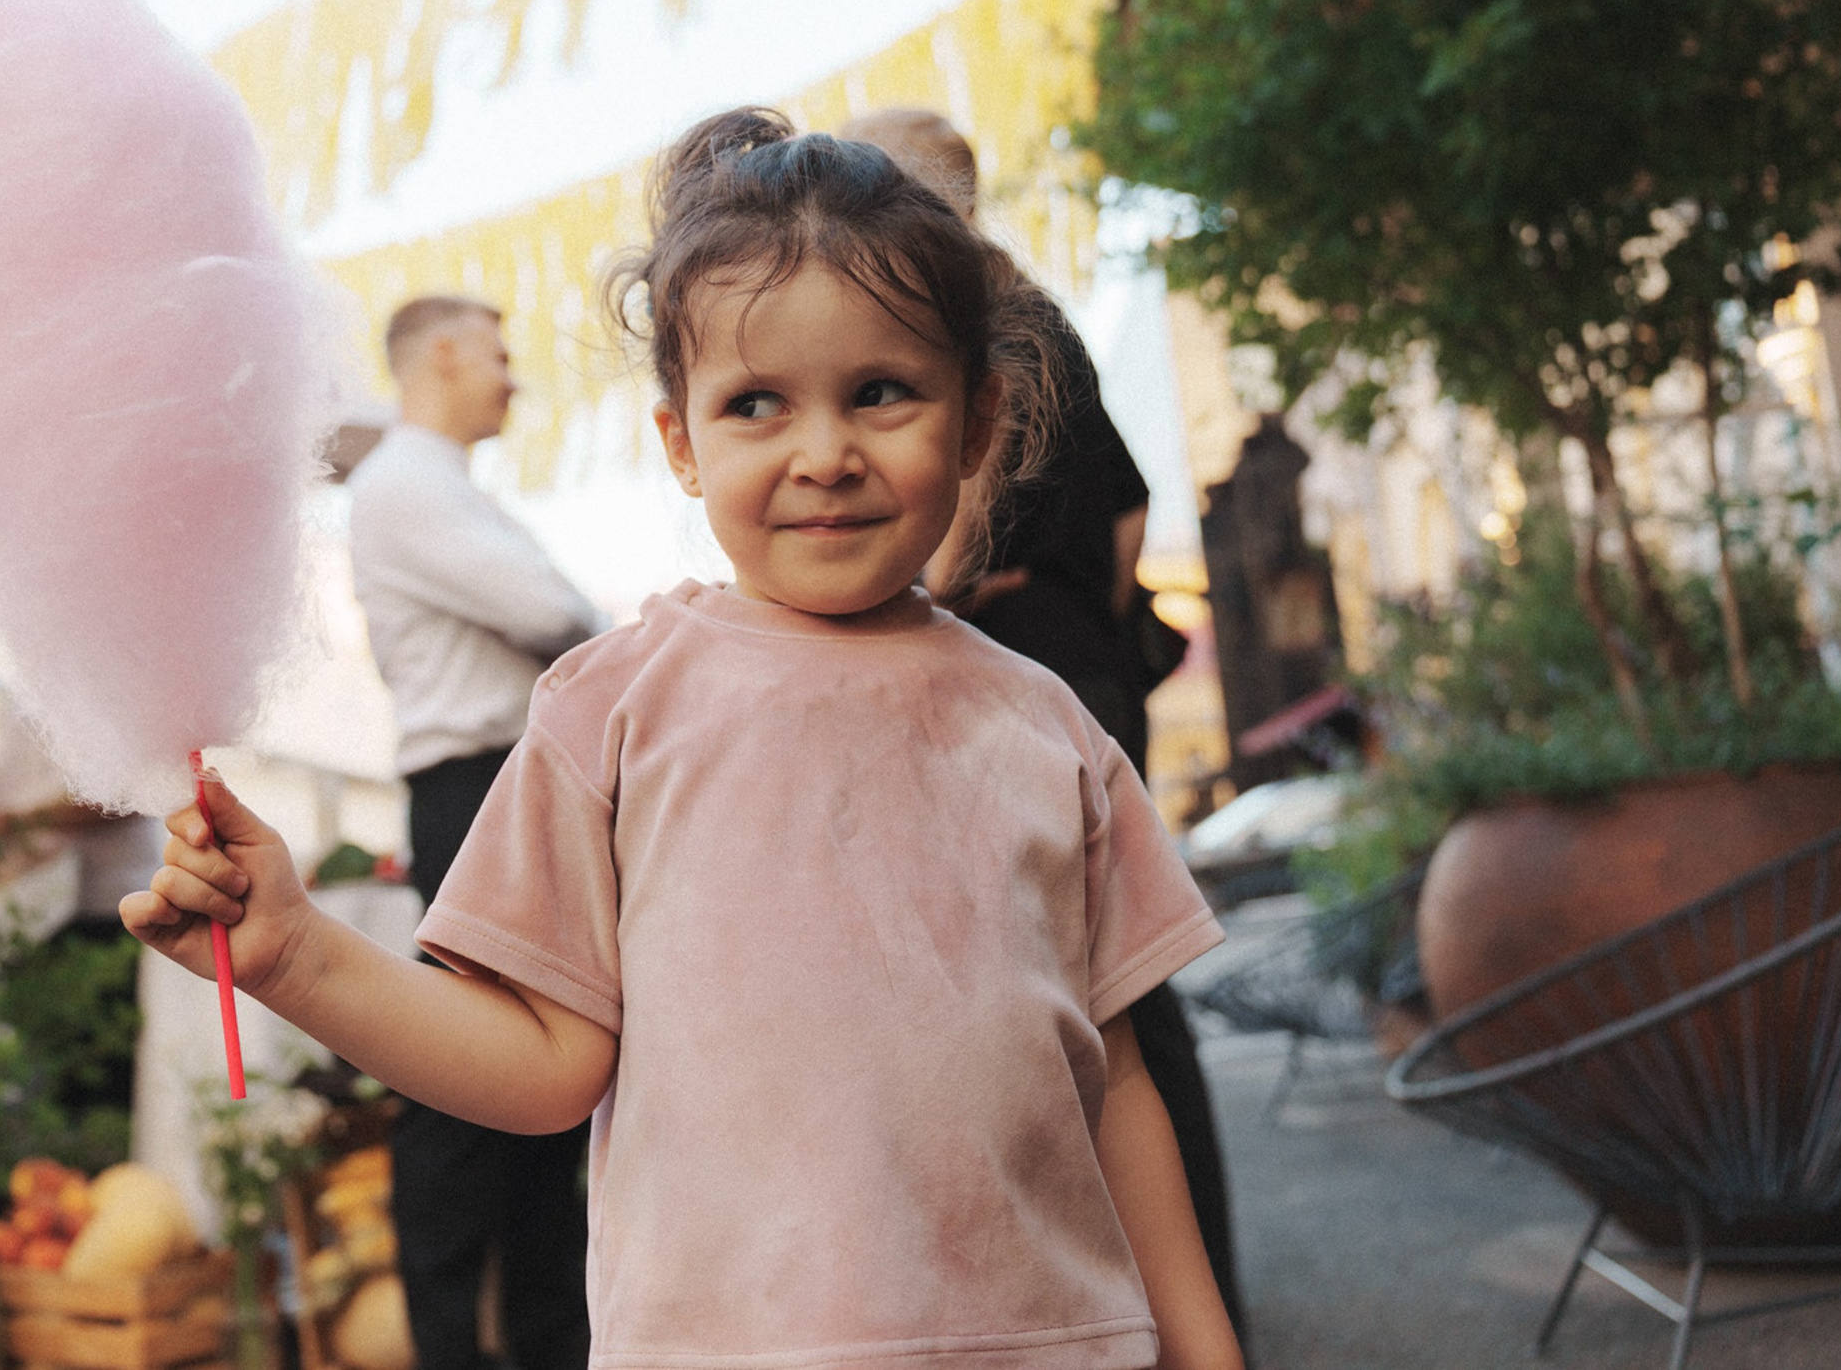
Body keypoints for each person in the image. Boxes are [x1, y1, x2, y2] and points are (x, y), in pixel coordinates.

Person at [128, 110, 1243, 1370]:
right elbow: (547, 1066)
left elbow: (1121, 1076)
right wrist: (294, 955)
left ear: (979, 421)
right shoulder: (608, 713)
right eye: (757, 403)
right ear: (682, 444)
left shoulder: (1048, 725)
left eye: (881, 392)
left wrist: (1205, 1348)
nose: (824, 454)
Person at [838, 109, 1243, 1338]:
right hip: (1071, 653)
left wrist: (1031, 619)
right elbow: (1126, 510)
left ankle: (1182, 1299)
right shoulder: (1009, 313)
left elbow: (1100, 512)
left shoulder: (987, 322)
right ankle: (1177, 1300)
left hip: (1034, 657)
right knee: (1104, 990)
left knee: (1105, 995)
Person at [344, 294, 605, 1370]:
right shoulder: (403, 481)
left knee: (545, 1076)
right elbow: (552, 613)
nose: (512, 376)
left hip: (501, 786)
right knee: (458, 1091)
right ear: (441, 356)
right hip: (474, 791)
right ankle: (455, 1350)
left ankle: (547, 1346)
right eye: (498, 355)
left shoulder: (430, 484)